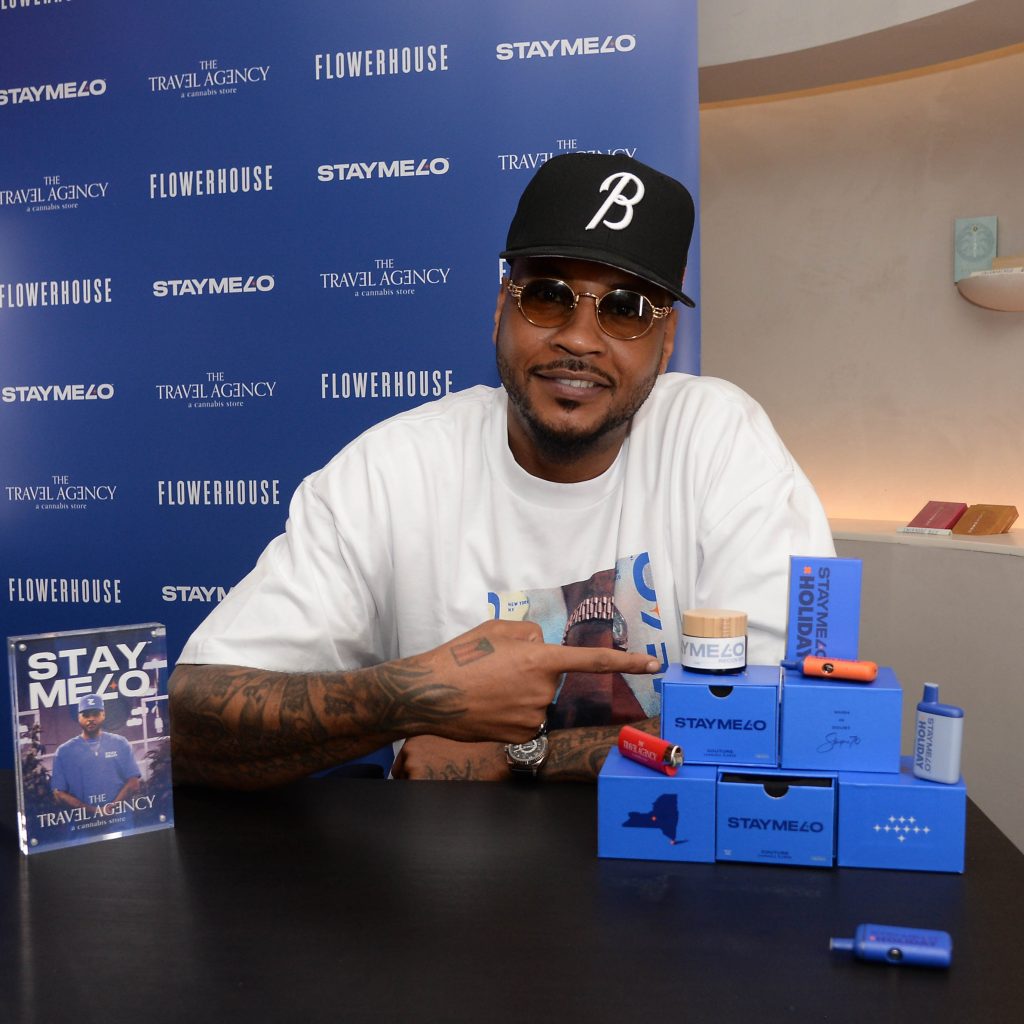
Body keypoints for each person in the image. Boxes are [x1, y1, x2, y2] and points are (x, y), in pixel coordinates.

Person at [169, 152, 834, 787]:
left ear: (667, 346)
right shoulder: (394, 469)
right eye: (546, 296)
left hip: (665, 876)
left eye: (626, 310)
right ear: (500, 311)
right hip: (443, 889)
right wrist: (413, 696)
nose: (579, 338)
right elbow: (184, 723)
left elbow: (795, 719)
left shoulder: (719, 443)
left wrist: (525, 755)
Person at [51, 694, 142, 813]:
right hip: (82, 828)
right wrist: (93, 810)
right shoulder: (63, 752)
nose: (91, 719)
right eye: (86, 715)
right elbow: (58, 794)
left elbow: (134, 784)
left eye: (95, 714)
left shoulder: (121, 744)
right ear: (79, 717)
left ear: (103, 715)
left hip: (120, 824)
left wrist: (110, 808)